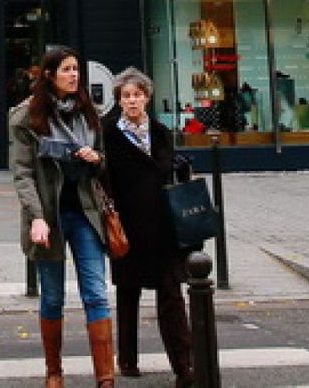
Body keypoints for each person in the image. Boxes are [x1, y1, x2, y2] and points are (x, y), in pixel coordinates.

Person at [9, 46, 114, 388]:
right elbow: (23, 173)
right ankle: (54, 372)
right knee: (52, 297)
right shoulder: (28, 117)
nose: (74, 75)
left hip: (85, 212)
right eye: (67, 69)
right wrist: (36, 217)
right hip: (49, 215)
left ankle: (106, 378)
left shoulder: (88, 113)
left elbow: (104, 164)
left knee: (96, 293)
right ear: (50, 75)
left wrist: (94, 158)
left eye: (77, 69)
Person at [101, 67, 194, 386]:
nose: (132, 101)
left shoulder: (161, 131)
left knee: (171, 293)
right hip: (127, 225)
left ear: (147, 98)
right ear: (118, 100)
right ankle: (127, 359)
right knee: (128, 292)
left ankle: (184, 367)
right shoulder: (107, 134)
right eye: (126, 96)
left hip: (163, 225)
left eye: (137, 95)